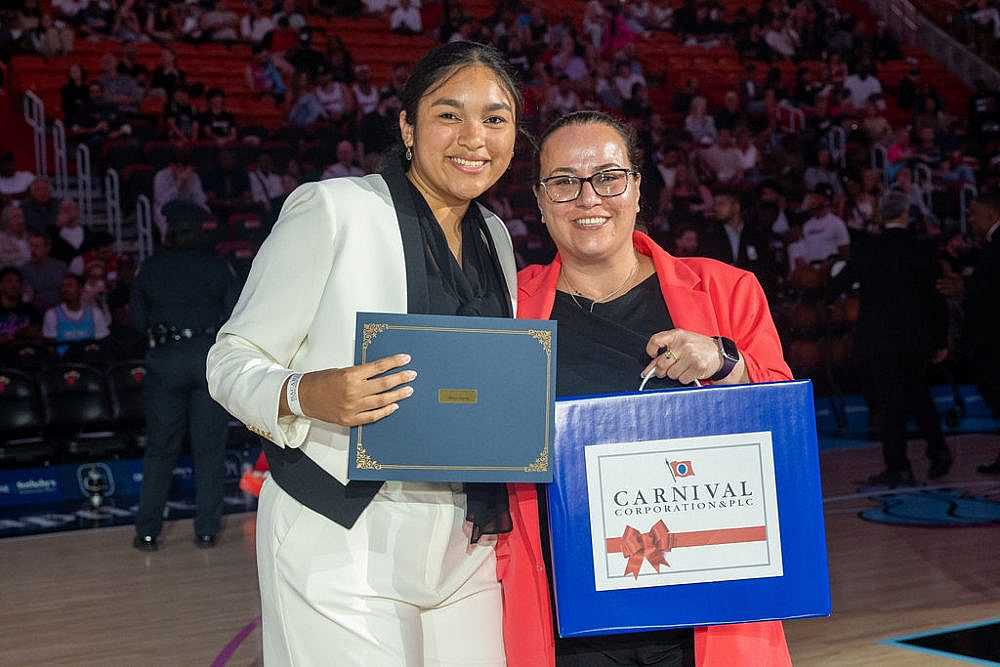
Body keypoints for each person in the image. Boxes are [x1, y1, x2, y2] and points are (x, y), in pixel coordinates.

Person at [206, 42, 521, 665]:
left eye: (495, 118)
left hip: (465, 541)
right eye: (449, 114)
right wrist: (305, 392)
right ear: (407, 127)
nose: (474, 137)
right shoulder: (334, 209)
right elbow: (230, 358)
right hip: (339, 530)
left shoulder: (496, 235)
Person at [508, 110, 792, 665]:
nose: (588, 198)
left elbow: (787, 437)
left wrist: (725, 363)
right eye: (563, 182)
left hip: (707, 607)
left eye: (608, 177)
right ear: (539, 202)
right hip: (567, 619)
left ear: (637, 188)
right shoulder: (508, 309)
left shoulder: (726, 289)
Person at [131, 202, 239, 551]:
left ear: (169, 230)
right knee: (209, 450)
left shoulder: (151, 267)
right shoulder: (218, 266)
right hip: (207, 357)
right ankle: (206, 530)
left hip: (166, 360)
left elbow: (136, 320)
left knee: (160, 449)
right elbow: (235, 313)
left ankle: (148, 532)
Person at [853, 191, 952, 487]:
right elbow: (937, 298)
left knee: (890, 404)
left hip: (880, 340)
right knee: (919, 395)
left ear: (881, 214)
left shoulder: (868, 247)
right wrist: (940, 339)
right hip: (916, 338)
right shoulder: (922, 247)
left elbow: (840, 282)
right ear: (906, 214)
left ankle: (899, 465)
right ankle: (939, 451)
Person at [964, 192, 1000, 474]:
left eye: (974, 214)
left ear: (991, 214)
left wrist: (965, 287)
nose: (970, 220)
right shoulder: (991, 245)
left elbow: (990, 290)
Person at [42, 273, 110, 355]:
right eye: (63, 286)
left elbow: (102, 341)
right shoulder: (52, 314)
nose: (65, 289)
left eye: (70, 285)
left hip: (89, 359)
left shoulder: (95, 313)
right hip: (64, 360)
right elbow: (50, 346)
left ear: (80, 289)